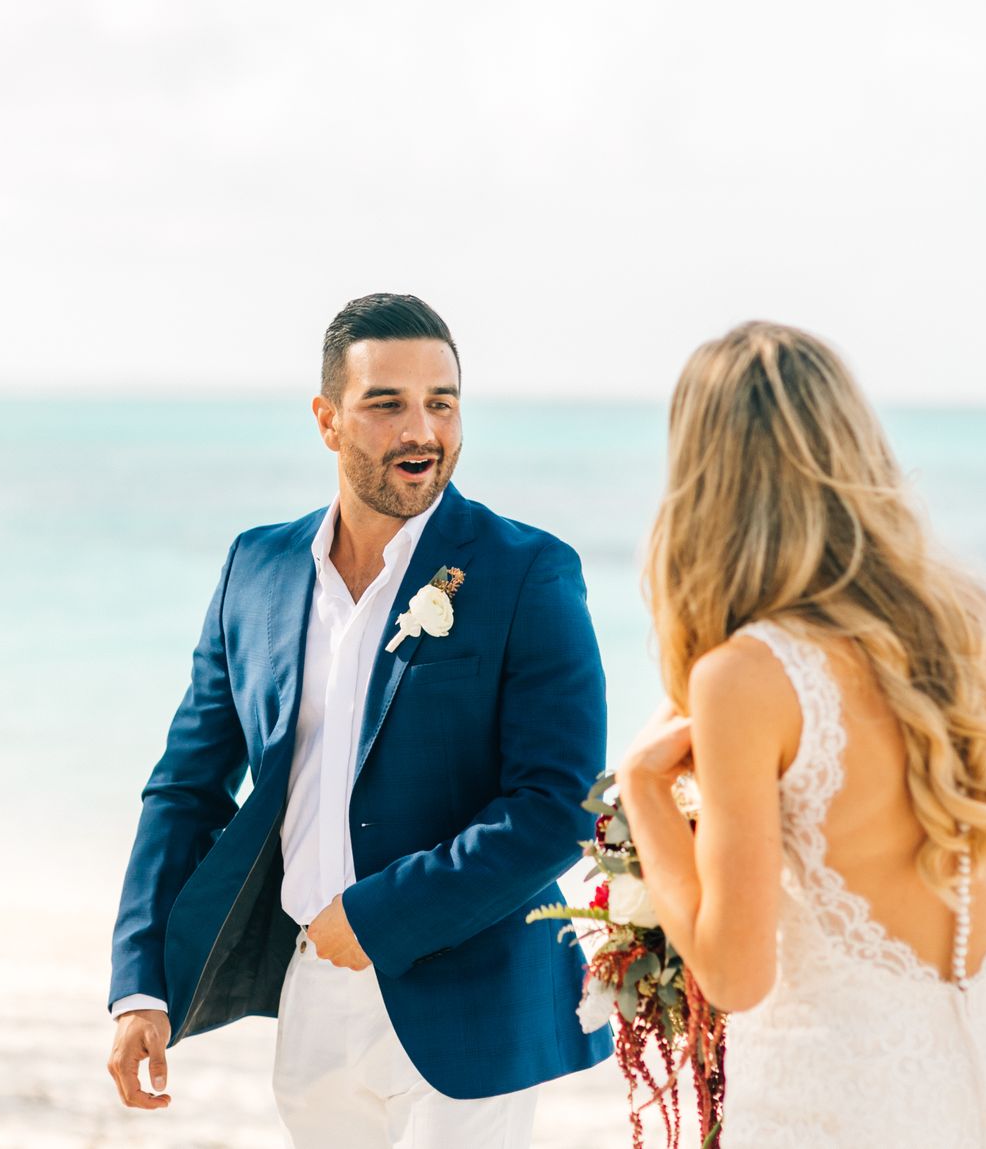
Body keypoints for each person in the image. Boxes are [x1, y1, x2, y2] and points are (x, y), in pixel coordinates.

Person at [105, 292, 611, 1147]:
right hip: (313, 992)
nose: (423, 430)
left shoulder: (529, 571)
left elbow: (559, 807)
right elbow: (186, 786)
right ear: (327, 419)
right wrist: (140, 986)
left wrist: (378, 915)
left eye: (442, 402)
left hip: (472, 1004)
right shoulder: (255, 567)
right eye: (388, 404)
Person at [618, 320, 986, 1147]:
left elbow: (734, 975)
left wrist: (644, 793)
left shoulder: (746, 677)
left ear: (703, 480)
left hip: (838, 1106)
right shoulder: (977, 617)